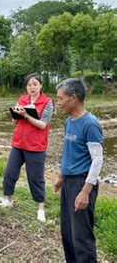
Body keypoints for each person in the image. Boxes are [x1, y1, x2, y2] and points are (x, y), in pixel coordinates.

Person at [54, 78, 104, 263]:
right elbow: (68, 151)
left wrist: (85, 191)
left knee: (81, 236)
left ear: (73, 98)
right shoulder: (69, 121)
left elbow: (97, 160)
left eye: (60, 99)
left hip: (82, 183)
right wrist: (61, 175)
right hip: (68, 182)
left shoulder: (90, 124)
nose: (58, 103)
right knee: (68, 233)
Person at [0, 73, 54, 222]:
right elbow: (13, 121)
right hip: (18, 144)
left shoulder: (48, 102)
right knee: (9, 173)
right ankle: (8, 200)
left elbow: (43, 125)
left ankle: (41, 209)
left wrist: (27, 116)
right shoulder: (22, 99)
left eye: (35, 84)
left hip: (36, 147)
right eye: (29, 85)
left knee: (35, 178)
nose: (32, 87)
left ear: (41, 85)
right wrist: (16, 113)